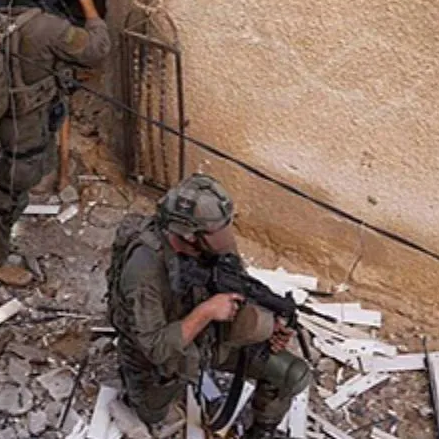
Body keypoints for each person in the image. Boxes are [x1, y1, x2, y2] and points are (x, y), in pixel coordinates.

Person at [107, 174, 313, 438]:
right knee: (152, 414)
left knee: (292, 374)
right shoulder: (144, 270)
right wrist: (206, 312)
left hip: (207, 338)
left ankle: (260, 433)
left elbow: (238, 284)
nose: (225, 238)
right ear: (189, 235)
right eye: (216, 232)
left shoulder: (212, 243)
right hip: (162, 352)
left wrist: (269, 324)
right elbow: (156, 348)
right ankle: (140, 387)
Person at [0, 0, 112, 287]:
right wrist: (86, 0)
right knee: (11, 192)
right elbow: (97, 49)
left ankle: (26, 192)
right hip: (27, 119)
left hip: (8, 111)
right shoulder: (47, 28)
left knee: (22, 172)